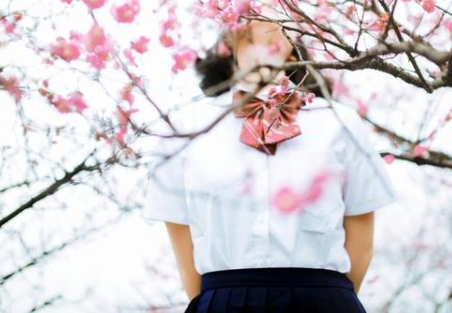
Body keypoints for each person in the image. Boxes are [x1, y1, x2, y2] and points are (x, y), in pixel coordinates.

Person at [143, 17, 399, 312]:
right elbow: (178, 227)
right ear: (230, 47)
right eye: (248, 39)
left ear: (293, 49)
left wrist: (328, 296)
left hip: (323, 299)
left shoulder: (339, 122)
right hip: (224, 299)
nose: (259, 49)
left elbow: (361, 233)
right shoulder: (187, 126)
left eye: (272, 38)